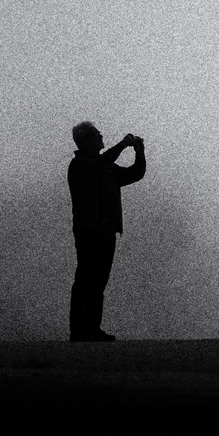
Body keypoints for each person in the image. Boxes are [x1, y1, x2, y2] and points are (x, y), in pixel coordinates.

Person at [67, 121, 145, 342]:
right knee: (86, 279)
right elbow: (100, 164)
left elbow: (134, 174)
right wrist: (122, 145)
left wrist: (140, 153)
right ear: (87, 140)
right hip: (89, 231)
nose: (102, 136)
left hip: (107, 230)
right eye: (97, 134)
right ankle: (79, 330)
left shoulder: (105, 166)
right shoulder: (80, 165)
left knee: (99, 280)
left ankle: (92, 328)